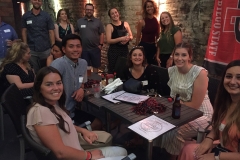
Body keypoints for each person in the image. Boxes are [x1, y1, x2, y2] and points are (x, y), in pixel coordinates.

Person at [26, 66, 127, 159]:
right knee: (124, 155)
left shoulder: (51, 104)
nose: (56, 88)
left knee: (122, 151)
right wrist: (89, 155)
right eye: (49, 84)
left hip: (77, 150)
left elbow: (59, 124)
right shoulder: (40, 112)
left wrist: (82, 131)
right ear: (39, 87)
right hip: (74, 156)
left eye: (58, 83)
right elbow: (60, 152)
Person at [154, 42, 213, 160]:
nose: (179, 58)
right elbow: (173, 97)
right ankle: (160, 152)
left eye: (184, 55)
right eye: (176, 54)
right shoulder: (171, 71)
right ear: (173, 55)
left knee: (173, 131)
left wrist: (174, 106)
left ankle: (172, 157)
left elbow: (195, 105)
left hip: (201, 113)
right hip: (180, 109)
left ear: (190, 57)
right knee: (157, 123)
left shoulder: (199, 73)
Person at [178, 60, 240, 160]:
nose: (232, 82)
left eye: (239, 77)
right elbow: (219, 126)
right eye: (229, 76)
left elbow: (194, 104)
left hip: (229, 155)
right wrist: (209, 138)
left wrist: (216, 157)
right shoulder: (225, 103)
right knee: (188, 150)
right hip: (222, 149)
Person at [50, 34, 102, 130]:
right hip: (57, 113)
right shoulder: (58, 65)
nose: (75, 49)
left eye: (78, 46)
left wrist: (81, 89)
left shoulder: (83, 63)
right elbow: (49, 92)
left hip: (72, 110)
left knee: (98, 123)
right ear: (64, 49)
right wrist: (59, 111)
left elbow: (82, 80)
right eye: (71, 46)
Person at [22, 0, 55, 73]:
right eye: (35, 0)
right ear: (31, 1)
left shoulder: (46, 16)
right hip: (32, 49)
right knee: (34, 71)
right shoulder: (26, 16)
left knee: (47, 71)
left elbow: (51, 31)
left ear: (41, 2)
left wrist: (53, 47)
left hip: (45, 49)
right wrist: (25, 46)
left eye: (39, 0)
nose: (37, 2)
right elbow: (24, 31)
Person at [76, 3, 104, 73]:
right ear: (85, 10)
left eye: (91, 10)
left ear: (93, 11)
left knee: (95, 66)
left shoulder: (98, 22)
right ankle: (86, 82)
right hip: (84, 49)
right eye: (87, 9)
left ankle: (95, 81)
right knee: (85, 67)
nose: (89, 11)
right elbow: (76, 33)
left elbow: (102, 34)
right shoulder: (79, 21)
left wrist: (100, 45)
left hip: (95, 49)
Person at [106, 7, 133, 73]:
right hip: (114, 51)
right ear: (110, 17)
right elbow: (109, 40)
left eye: (116, 12)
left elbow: (131, 36)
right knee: (114, 70)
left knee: (125, 69)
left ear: (118, 13)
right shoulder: (109, 26)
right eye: (112, 14)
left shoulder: (125, 24)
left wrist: (127, 39)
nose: (115, 14)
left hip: (124, 50)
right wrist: (120, 39)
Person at [135, 0, 159, 65]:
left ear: (154, 7)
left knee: (152, 67)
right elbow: (138, 37)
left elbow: (158, 37)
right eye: (147, 7)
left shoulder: (156, 20)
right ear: (145, 9)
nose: (149, 8)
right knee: (143, 66)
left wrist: (157, 50)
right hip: (144, 46)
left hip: (153, 47)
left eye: (151, 6)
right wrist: (135, 50)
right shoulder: (142, 22)